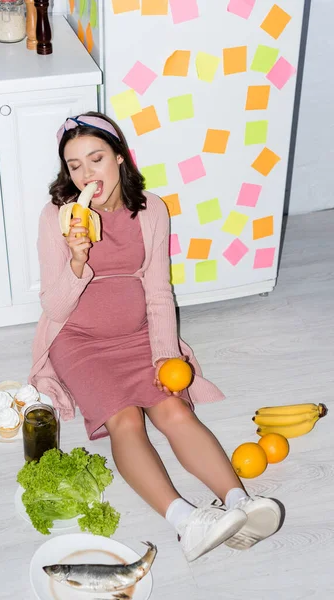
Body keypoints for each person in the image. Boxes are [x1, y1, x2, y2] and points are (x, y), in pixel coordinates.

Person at [29, 112, 281, 562]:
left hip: (139, 335)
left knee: (173, 410)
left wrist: (165, 354)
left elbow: (159, 289)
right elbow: (54, 308)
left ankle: (241, 504)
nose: (87, 173)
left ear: (121, 158)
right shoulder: (56, 218)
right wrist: (76, 260)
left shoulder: (151, 209)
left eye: (96, 158)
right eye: (74, 165)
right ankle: (186, 522)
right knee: (126, 419)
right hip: (80, 341)